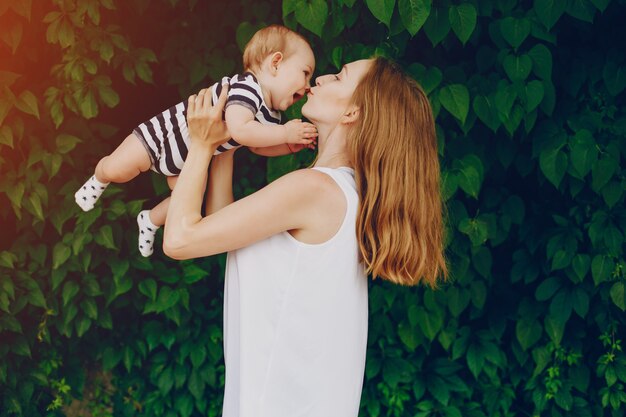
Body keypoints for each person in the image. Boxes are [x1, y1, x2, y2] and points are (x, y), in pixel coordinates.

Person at [163, 57, 450, 417]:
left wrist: (202, 146)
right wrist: (226, 142)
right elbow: (224, 230)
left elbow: (179, 239)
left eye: (341, 76)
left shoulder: (315, 190)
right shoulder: (342, 194)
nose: (325, 77)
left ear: (352, 113)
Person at [73, 24, 317, 256]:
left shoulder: (271, 114)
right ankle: (99, 177)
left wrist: (286, 146)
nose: (307, 86)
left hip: (188, 161)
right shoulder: (248, 88)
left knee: (187, 198)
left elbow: (255, 145)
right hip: (160, 137)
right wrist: (285, 133)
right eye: (305, 73)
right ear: (276, 63)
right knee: (118, 169)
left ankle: (149, 220)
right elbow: (241, 130)